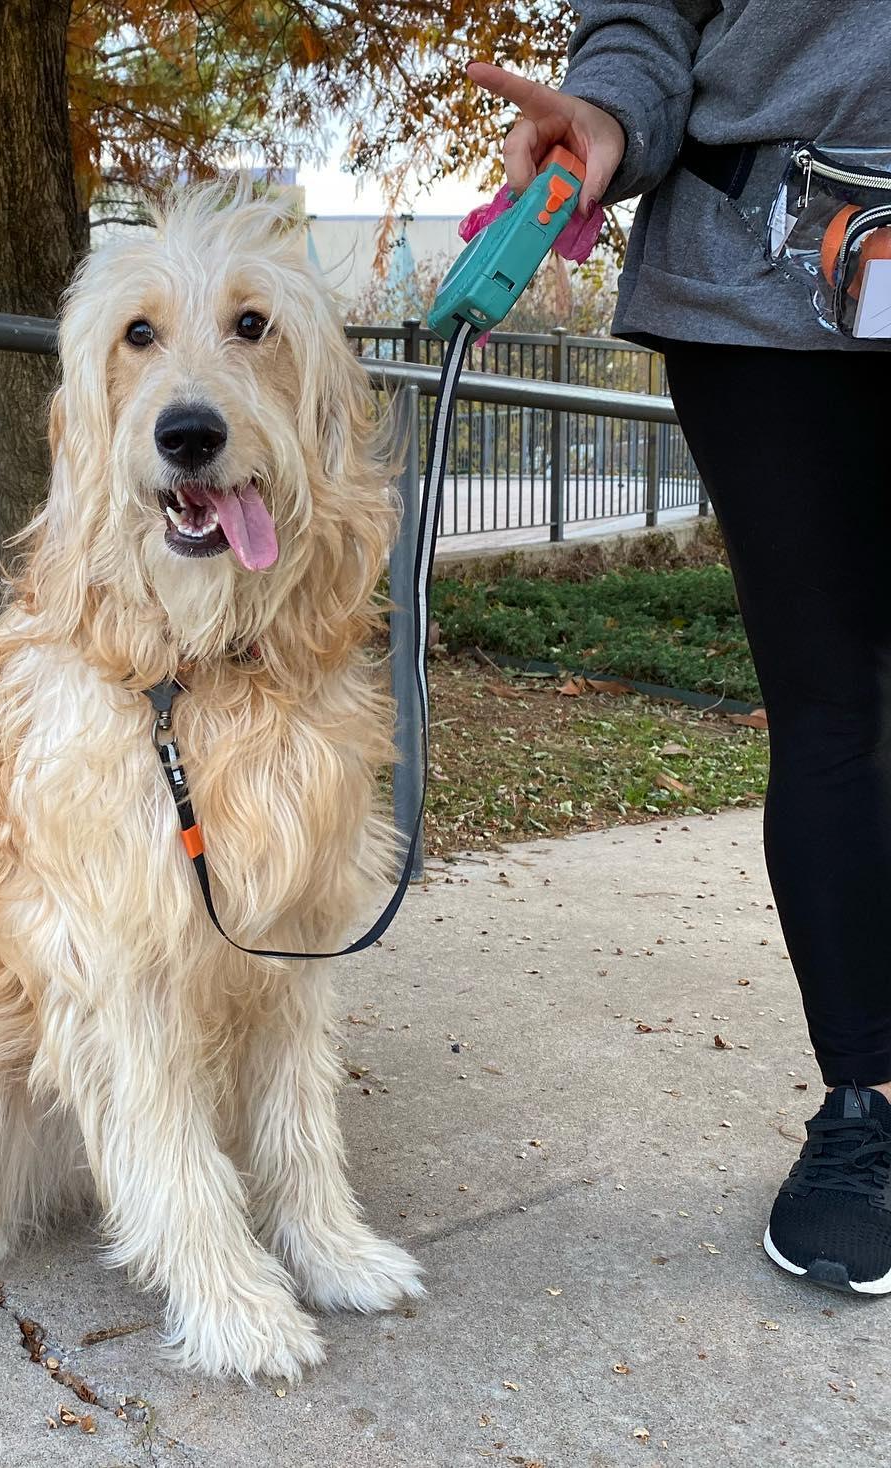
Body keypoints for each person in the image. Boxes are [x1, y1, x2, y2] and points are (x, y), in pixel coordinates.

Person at [469, 1, 891, 1296]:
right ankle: (868, 1110)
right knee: (838, 709)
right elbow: (645, 24)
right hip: (768, 286)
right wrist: (603, 118)